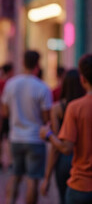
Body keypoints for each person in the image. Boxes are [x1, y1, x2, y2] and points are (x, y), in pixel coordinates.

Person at [1, 50, 52, 204]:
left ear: (23, 63)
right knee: (32, 180)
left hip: (16, 137)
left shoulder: (11, 84)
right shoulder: (42, 88)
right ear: (38, 65)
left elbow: (5, 111)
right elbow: (46, 118)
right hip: (35, 139)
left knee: (15, 176)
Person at [40, 54, 92, 204]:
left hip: (81, 183)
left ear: (83, 79)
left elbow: (66, 147)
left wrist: (48, 134)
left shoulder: (74, 108)